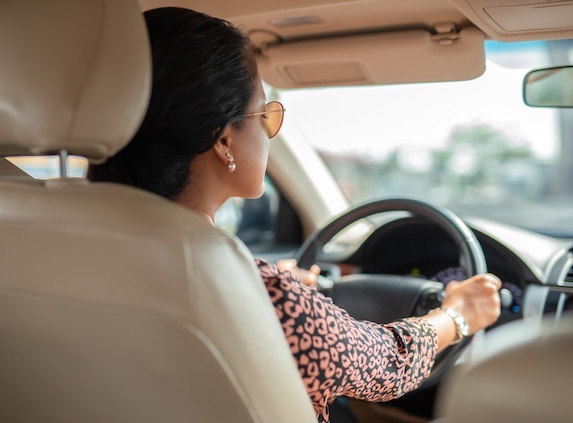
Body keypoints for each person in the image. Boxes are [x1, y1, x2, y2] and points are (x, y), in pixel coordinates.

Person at [88, 7, 501, 423]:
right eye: (265, 114)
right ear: (224, 140)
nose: (270, 131)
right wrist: (457, 315)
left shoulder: (64, 250)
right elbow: (387, 363)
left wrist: (270, 278)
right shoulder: (268, 299)